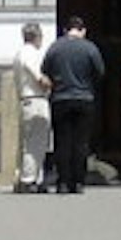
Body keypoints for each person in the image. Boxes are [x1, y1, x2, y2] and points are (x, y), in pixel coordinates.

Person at [39, 15, 106, 196]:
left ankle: (62, 182)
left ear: (65, 30)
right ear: (83, 30)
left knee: (62, 142)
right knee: (81, 142)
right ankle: (77, 182)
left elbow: (45, 71)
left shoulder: (55, 47)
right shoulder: (90, 48)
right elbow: (100, 72)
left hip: (60, 98)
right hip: (84, 98)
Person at [14, 21, 52, 194]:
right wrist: (51, 85)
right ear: (36, 37)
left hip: (26, 99)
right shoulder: (30, 54)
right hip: (35, 99)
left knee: (32, 142)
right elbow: (39, 78)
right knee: (36, 142)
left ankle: (34, 176)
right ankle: (29, 179)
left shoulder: (19, 54)